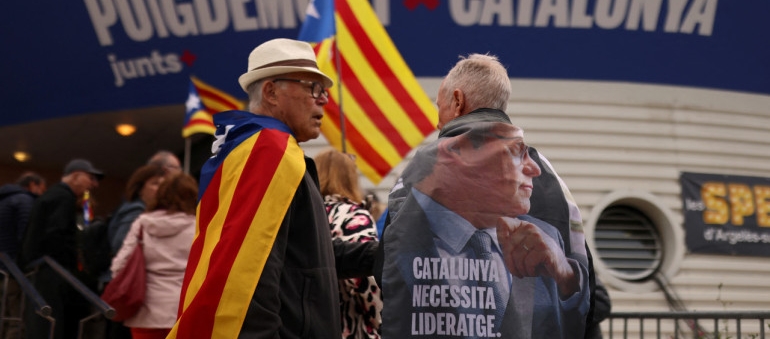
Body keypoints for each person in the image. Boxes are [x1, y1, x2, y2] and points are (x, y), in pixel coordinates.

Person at [168, 38, 377, 339]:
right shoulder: (270, 151)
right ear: (271, 92)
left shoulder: (251, 148)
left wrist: (380, 254)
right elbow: (247, 276)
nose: (324, 100)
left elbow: (301, 256)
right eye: (312, 88)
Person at [376, 54, 594, 338]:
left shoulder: (421, 170)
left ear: (457, 101)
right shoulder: (551, 176)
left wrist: (564, 274)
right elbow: (590, 297)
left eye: (438, 108)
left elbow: (385, 267)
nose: (438, 123)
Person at [18, 159, 103, 339]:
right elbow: (57, 234)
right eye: (89, 178)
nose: (92, 184)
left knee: (41, 320)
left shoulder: (51, 195)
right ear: (76, 176)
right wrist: (69, 264)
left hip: (40, 266)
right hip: (52, 269)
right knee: (51, 320)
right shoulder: (63, 197)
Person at [109, 172, 197, 339]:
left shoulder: (142, 223)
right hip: (185, 309)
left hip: (146, 313)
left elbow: (119, 265)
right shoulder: (198, 225)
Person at [316, 149, 383, 339]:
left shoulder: (306, 214)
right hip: (349, 327)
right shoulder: (355, 216)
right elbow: (367, 281)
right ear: (350, 178)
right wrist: (381, 320)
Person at [0, 172, 46, 339]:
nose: (42, 193)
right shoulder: (25, 201)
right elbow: (26, 237)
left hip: (2, 268)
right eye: (42, 188)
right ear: (33, 184)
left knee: (4, 317)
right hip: (14, 269)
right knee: (17, 319)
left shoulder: (4, 200)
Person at [108, 165, 166, 256]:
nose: (161, 189)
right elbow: (120, 244)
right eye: (155, 184)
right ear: (140, 189)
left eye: (163, 185)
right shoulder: (136, 210)